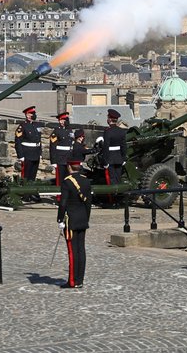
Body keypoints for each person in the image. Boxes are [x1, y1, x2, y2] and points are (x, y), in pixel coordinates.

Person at [57, 161, 92, 289]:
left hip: (71, 220)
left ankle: (72, 281)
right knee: (81, 250)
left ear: (69, 167)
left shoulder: (67, 182)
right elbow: (88, 203)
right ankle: (80, 280)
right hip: (83, 218)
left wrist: (60, 219)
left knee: (72, 251)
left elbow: (63, 203)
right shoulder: (86, 181)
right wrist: (86, 218)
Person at [98, 109, 127, 186]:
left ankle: (113, 197)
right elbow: (123, 146)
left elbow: (106, 147)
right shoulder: (121, 131)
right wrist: (123, 158)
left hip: (110, 159)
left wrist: (105, 161)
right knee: (118, 179)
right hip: (119, 158)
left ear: (110, 119)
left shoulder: (108, 131)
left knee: (111, 180)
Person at [15, 106, 42, 182]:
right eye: (32, 113)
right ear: (27, 115)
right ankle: (25, 193)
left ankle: (31, 193)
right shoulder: (22, 126)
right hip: (27, 154)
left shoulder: (37, 125)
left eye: (34, 113)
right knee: (26, 176)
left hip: (36, 153)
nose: (34, 115)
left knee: (33, 176)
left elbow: (39, 140)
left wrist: (40, 153)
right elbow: (18, 141)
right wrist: (21, 156)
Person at [50, 112, 73, 189]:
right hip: (60, 158)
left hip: (69, 158)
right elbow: (52, 147)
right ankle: (60, 196)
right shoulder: (56, 131)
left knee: (69, 179)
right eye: (62, 120)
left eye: (66, 119)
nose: (64, 121)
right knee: (60, 179)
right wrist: (53, 161)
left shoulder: (70, 130)